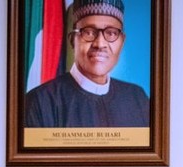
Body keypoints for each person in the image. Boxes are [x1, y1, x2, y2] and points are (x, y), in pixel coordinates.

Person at [25, 0, 150, 128]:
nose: (100, 44)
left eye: (111, 33)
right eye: (89, 32)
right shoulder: (39, 102)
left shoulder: (137, 98)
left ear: (122, 42)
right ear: (73, 41)